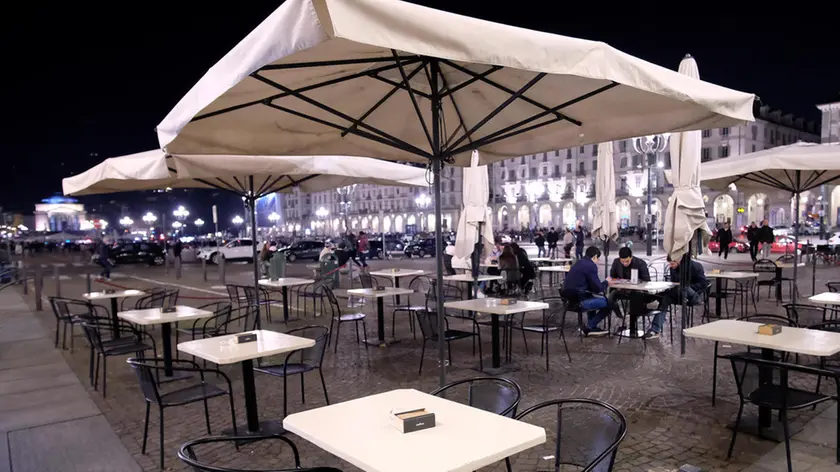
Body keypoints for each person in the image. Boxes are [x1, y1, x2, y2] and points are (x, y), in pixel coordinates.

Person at [560, 246, 614, 336]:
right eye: (598, 259)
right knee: (610, 303)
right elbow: (598, 288)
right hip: (580, 301)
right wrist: (607, 282)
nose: (598, 261)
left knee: (592, 297)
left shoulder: (579, 263)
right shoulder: (590, 266)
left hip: (569, 301)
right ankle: (589, 326)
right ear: (595, 256)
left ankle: (591, 327)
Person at [651, 254, 708, 339]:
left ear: (678, 261)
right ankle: (655, 329)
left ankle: (658, 296)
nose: (671, 266)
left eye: (672, 264)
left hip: (694, 296)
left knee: (681, 288)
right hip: (678, 294)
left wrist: (687, 286)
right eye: (669, 264)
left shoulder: (695, 266)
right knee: (665, 298)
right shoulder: (673, 269)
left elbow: (703, 284)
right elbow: (674, 282)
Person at [608, 247, 651, 317]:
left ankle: (633, 321)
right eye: (622, 261)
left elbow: (647, 280)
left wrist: (637, 281)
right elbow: (612, 277)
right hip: (621, 290)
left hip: (636, 291)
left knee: (635, 300)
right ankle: (620, 315)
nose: (625, 263)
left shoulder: (640, 263)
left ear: (631, 257)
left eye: (627, 261)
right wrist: (618, 282)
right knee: (610, 299)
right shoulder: (616, 262)